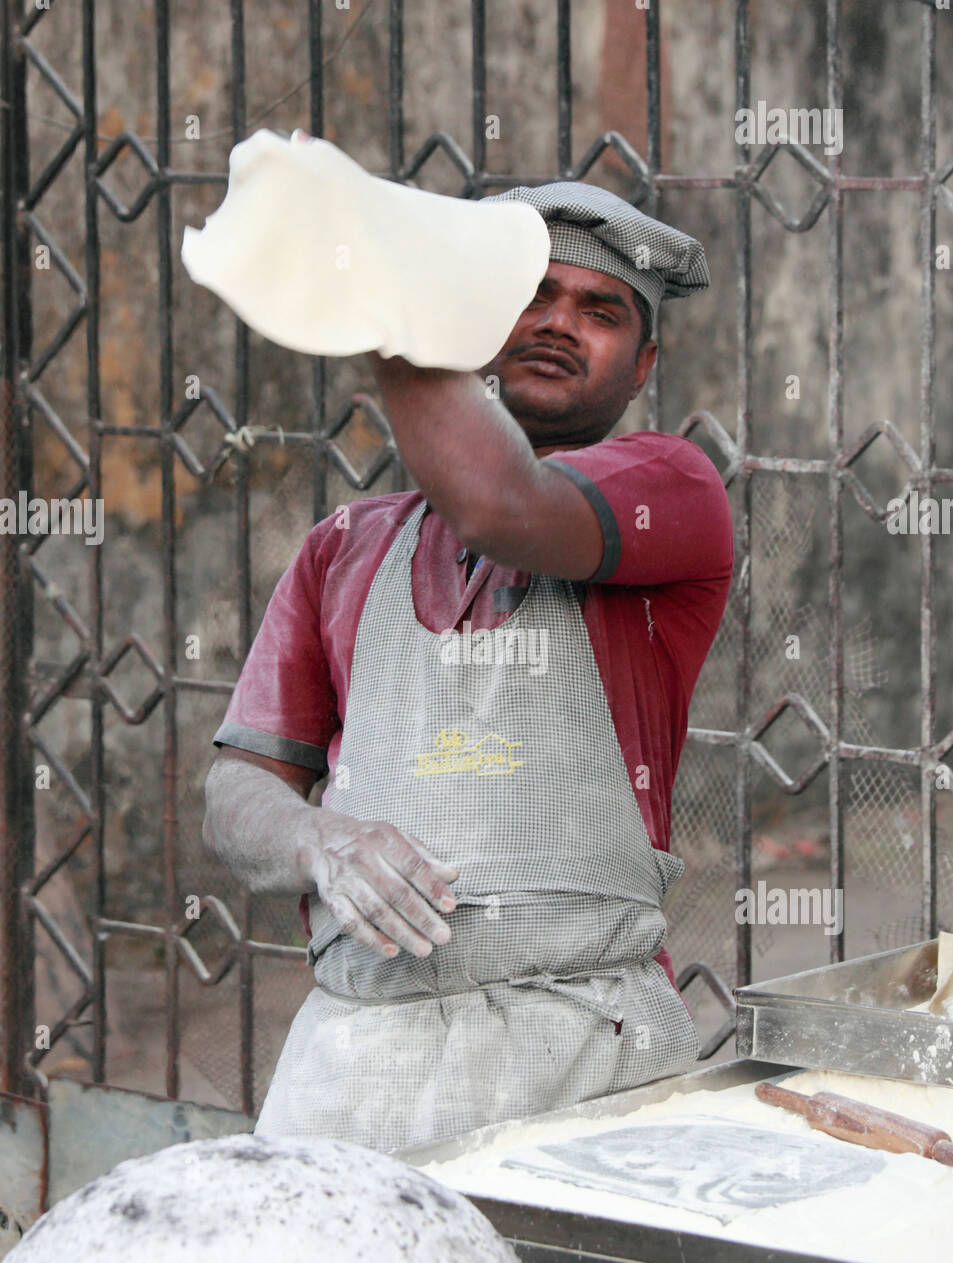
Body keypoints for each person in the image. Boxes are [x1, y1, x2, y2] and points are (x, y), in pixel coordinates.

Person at [202, 179, 734, 1153]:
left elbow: (499, 502)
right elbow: (239, 786)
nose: (558, 324)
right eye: (531, 295)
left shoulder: (672, 491)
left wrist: (372, 286)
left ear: (643, 361)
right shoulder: (344, 547)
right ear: (483, 320)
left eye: (600, 310)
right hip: (355, 1063)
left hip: (584, 1057)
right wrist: (318, 839)